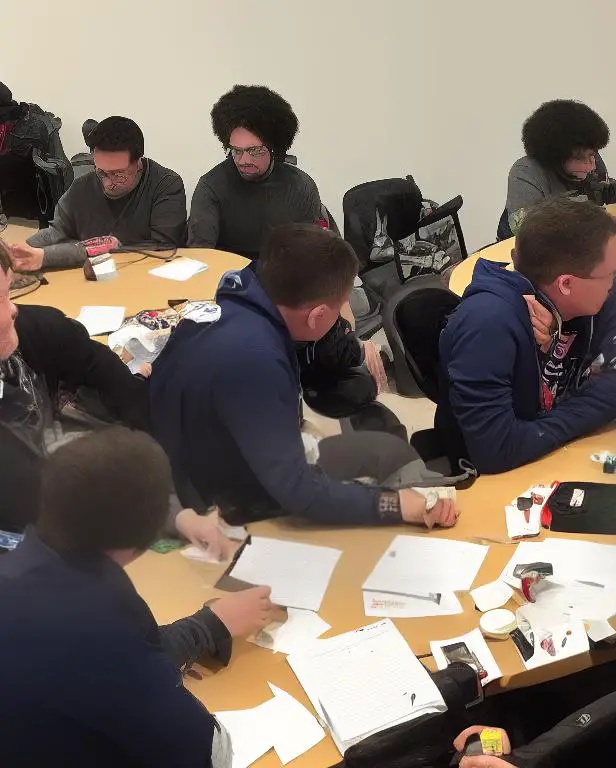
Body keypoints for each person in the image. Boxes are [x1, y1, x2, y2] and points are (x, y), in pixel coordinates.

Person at [150, 223, 458, 528]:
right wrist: (398, 506)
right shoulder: (257, 363)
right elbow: (296, 491)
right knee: (386, 499)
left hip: (198, 461)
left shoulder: (239, 295)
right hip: (219, 505)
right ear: (317, 316)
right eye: (338, 311)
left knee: (385, 451)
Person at [0, 426, 275, 767]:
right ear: (147, 536)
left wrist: (208, 626)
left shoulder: (22, 571)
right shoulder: (102, 622)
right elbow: (208, 753)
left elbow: (116, 664)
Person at [0, 239, 230, 558]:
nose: (12, 308)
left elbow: (126, 396)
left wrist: (181, 513)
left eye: (9, 293)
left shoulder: (38, 331)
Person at [438, 198, 616, 474]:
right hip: (485, 480)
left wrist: (556, 337)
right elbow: (496, 450)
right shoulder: (487, 323)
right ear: (566, 284)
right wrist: (599, 402)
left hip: (545, 450)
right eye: (610, 273)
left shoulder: (598, 293)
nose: (615, 282)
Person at [8, 115, 185, 271]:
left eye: (118, 174)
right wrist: (18, 252)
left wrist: (53, 255)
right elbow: (56, 233)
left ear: (138, 162)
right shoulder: (81, 188)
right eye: (101, 172)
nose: (108, 183)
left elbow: (162, 248)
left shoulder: (166, 185)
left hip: (143, 278)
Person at [187, 84, 326, 260]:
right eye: (236, 151)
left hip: (285, 276)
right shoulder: (211, 187)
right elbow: (200, 256)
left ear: (274, 148)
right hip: (228, 278)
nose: (244, 160)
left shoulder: (300, 187)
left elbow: (310, 252)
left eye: (254, 151)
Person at [499, 99, 616, 239]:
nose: (592, 165)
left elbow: (605, 189)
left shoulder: (591, 160)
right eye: (581, 158)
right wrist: (594, 221)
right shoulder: (526, 172)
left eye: (593, 155)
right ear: (556, 156)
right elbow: (528, 229)